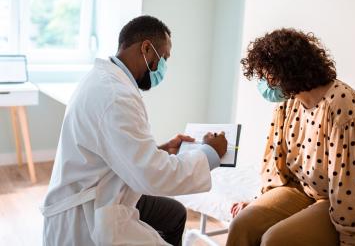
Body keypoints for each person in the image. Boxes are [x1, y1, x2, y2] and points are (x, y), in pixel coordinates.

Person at [41, 15, 227, 246]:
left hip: (106, 188)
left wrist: (161, 150)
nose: (163, 68)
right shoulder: (116, 96)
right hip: (89, 212)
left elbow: (116, 149)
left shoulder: (106, 80)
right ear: (147, 49)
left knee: (174, 214)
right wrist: (210, 153)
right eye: (164, 58)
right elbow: (153, 176)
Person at [227, 28, 355, 246]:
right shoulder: (288, 102)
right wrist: (261, 202)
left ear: (286, 71)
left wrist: (354, 238)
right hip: (305, 191)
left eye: (265, 74)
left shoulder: (341, 104)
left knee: (274, 240)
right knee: (241, 225)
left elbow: (348, 181)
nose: (264, 83)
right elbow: (275, 164)